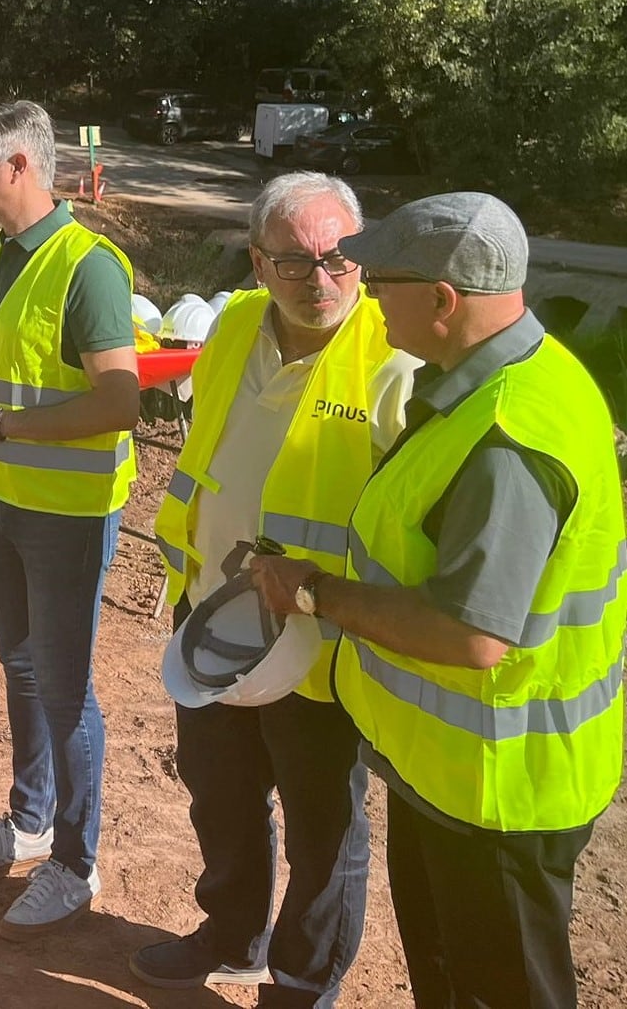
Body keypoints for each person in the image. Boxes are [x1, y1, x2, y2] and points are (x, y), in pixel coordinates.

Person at [253, 193, 627, 1009]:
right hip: (451, 775)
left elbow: (471, 633)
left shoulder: (505, 438)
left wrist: (315, 593)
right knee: (451, 983)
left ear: (441, 299)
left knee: (498, 993)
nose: (366, 293)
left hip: (498, 793)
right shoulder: (509, 378)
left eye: (379, 278)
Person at [131, 172, 419, 1001]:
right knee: (218, 795)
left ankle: (299, 981)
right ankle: (231, 931)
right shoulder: (232, 330)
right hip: (215, 616)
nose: (320, 282)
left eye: (340, 261)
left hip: (322, 643)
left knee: (322, 829)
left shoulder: (391, 360)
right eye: (294, 264)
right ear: (258, 263)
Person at [0, 100, 140, 941]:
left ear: (17, 164)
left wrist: (3, 426)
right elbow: (8, 379)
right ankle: (27, 820)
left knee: (62, 687)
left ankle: (74, 862)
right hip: (1, 504)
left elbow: (119, 401)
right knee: (22, 672)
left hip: (65, 514)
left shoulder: (86, 267)